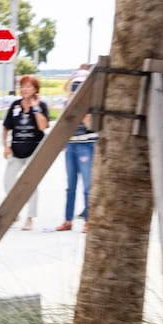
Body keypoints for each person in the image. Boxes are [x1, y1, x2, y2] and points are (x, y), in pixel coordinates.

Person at [1, 74, 50, 231]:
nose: (24, 89)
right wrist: (5, 146)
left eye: (28, 86)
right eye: (22, 86)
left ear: (35, 89)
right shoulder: (15, 105)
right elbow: (6, 127)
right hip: (16, 150)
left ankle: (30, 217)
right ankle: (15, 212)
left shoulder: (41, 105)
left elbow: (43, 127)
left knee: (31, 183)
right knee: (8, 181)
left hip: (34, 150)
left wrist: (35, 108)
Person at [55, 64, 96, 232]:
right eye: (75, 85)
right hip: (71, 145)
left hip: (86, 144)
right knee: (70, 184)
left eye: (81, 85)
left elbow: (90, 125)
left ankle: (88, 220)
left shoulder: (92, 103)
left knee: (87, 185)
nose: (77, 88)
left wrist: (83, 109)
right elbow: (65, 124)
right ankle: (67, 220)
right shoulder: (67, 102)